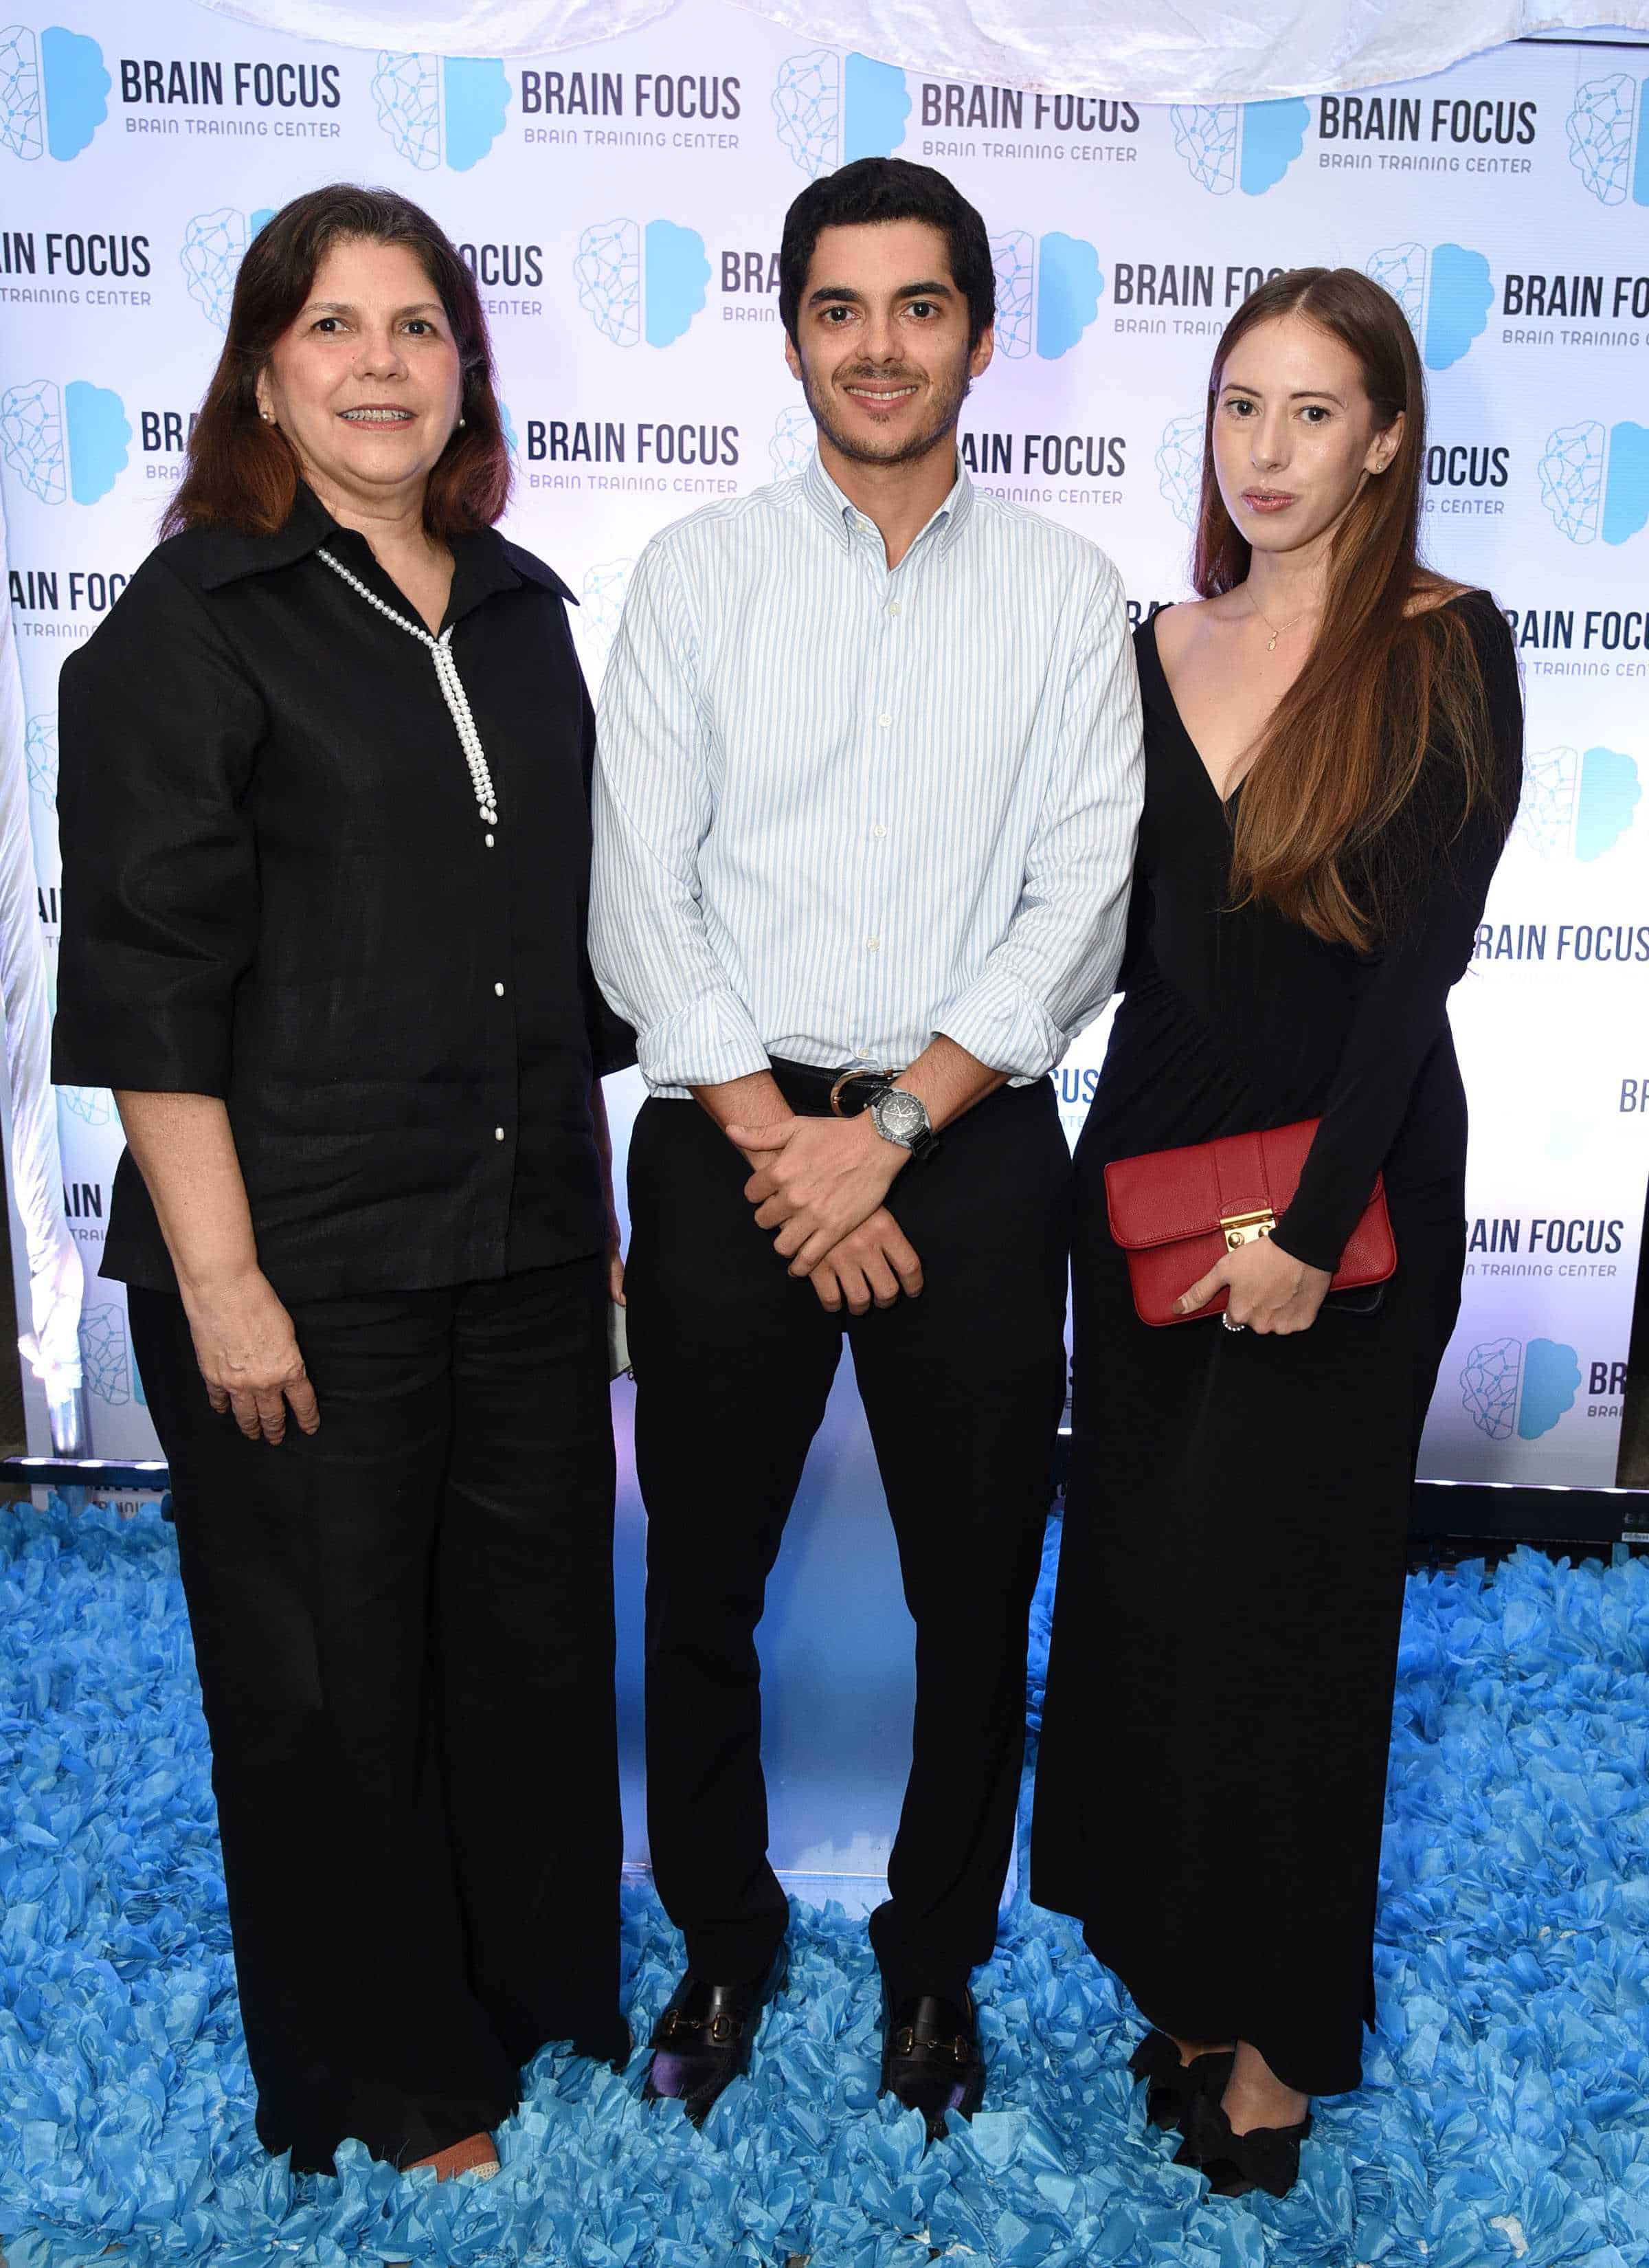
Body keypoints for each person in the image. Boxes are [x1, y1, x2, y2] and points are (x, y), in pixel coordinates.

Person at [51, 185, 633, 2181]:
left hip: (526, 1235)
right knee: (325, 1676)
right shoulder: (192, 622)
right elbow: (146, 982)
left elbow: (565, 955)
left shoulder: (529, 602)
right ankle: (387, 2080)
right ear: (263, 371)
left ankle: (527, 2003)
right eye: (335, 327)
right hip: (296, 1247)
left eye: (417, 326)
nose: (380, 363)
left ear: (465, 365)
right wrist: (218, 1281)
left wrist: (601, 1220)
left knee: (523, 1643)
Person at [590, 155, 1142, 2136]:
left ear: (982, 337)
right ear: (794, 332)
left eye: (922, 307)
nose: (881, 345)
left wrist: (892, 1128)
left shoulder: (1073, 595)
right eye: (842, 307)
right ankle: (725, 1939)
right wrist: (784, 1147)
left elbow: (1083, 898)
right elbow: (639, 893)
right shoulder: (696, 575)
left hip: (972, 1146)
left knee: (978, 1589)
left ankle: (933, 1964)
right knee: (702, 1584)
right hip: (729, 1141)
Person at [1031, 268, 1523, 2199]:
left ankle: (1278, 2044)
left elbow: (1424, 967)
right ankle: (1178, 1969)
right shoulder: (1153, 640)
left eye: (1317, 412)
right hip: (1145, 1188)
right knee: (1152, 1595)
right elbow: (1129, 948)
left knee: (1298, 1619)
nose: (1271, 449)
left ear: (1388, 436)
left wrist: (1318, 1225)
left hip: (1354, 1193)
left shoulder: (1445, 643)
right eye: (1244, 405)